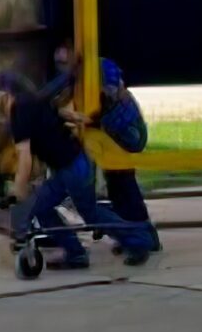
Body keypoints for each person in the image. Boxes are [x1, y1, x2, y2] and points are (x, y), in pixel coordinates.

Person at [0, 72, 158, 268]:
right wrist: (75, 117)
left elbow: (24, 157)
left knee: (90, 213)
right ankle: (76, 254)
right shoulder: (33, 100)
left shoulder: (19, 113)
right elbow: (57, 112)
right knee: (41, 208)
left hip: (74, 167)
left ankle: (139, 242)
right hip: (67, 166)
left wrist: (19, 190)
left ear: (2, 95)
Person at [46, 46, 156, 250]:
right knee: (117, 185)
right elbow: (62, 99)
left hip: (125, 129)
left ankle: (144, 237)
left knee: (124, 185)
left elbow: (115, 93)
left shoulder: (102, 67)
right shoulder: (77, 78)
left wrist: (89, 118)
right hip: (110, 134)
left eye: (64, 62)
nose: (61, 67)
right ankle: (132, 235)